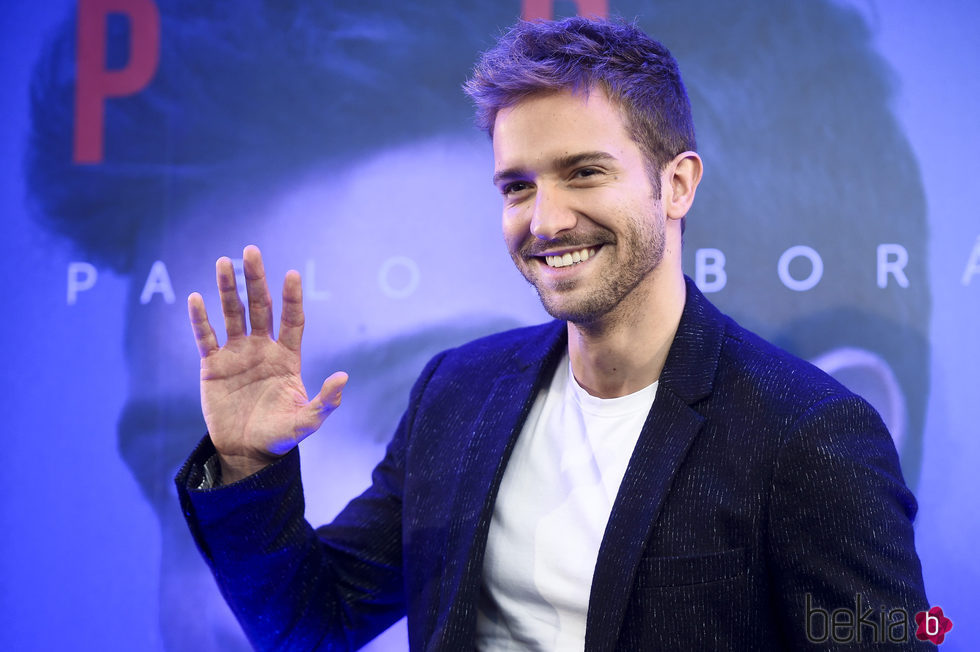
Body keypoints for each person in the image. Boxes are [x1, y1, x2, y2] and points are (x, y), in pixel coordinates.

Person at [177, 16, 928, 650]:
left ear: (677, 183)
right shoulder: (457, 393)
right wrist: (247, 465)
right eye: (518, 186)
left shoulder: (809, 435)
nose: (547, 219)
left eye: (584, 172)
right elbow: (317, 619)